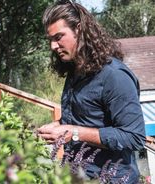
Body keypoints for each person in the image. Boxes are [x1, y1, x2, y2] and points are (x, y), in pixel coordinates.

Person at [37, 0, 146, 183]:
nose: (53, 47)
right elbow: (87, 118)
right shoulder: (74, 73)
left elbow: (134, 136)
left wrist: (73, 132)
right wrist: (58, 125)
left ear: (79, 30)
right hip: (77, 176)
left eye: (58, 37)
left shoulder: (114, 76)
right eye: (50, 40)